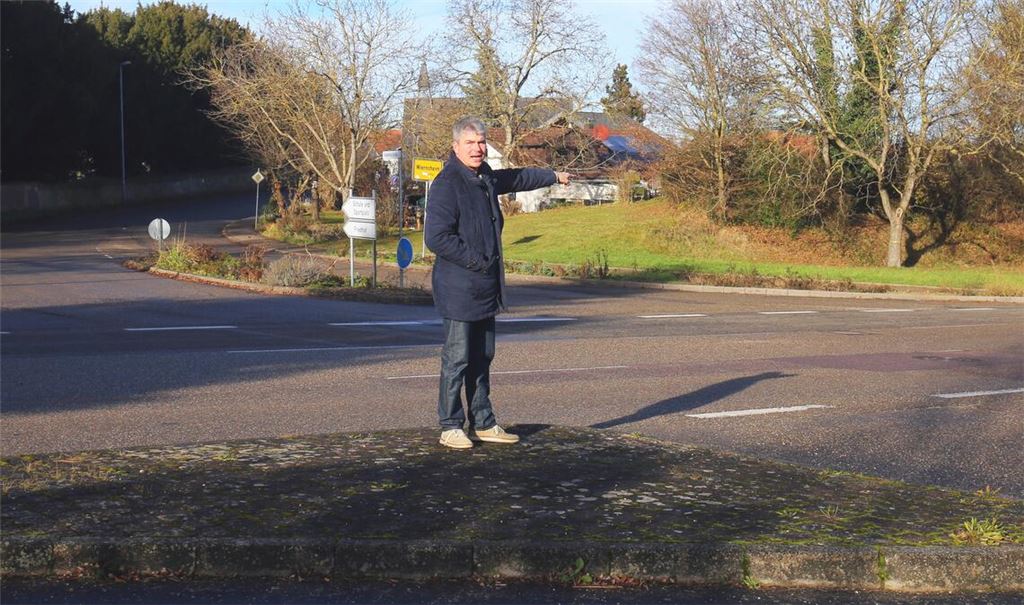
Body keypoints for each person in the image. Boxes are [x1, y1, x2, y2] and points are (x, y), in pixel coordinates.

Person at [425, 117, 570, 449]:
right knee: (457, 357)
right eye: (471, 143)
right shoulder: (448, 183)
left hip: (484, 288)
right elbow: (436, 237)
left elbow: (516, 176)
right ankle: (450, 425)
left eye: (481, 142)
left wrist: (552, 176)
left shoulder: (485, 176)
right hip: (459, 288)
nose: (478, 149)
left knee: (482, 356)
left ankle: (484, 422)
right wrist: (477, 260)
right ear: (456, 146)